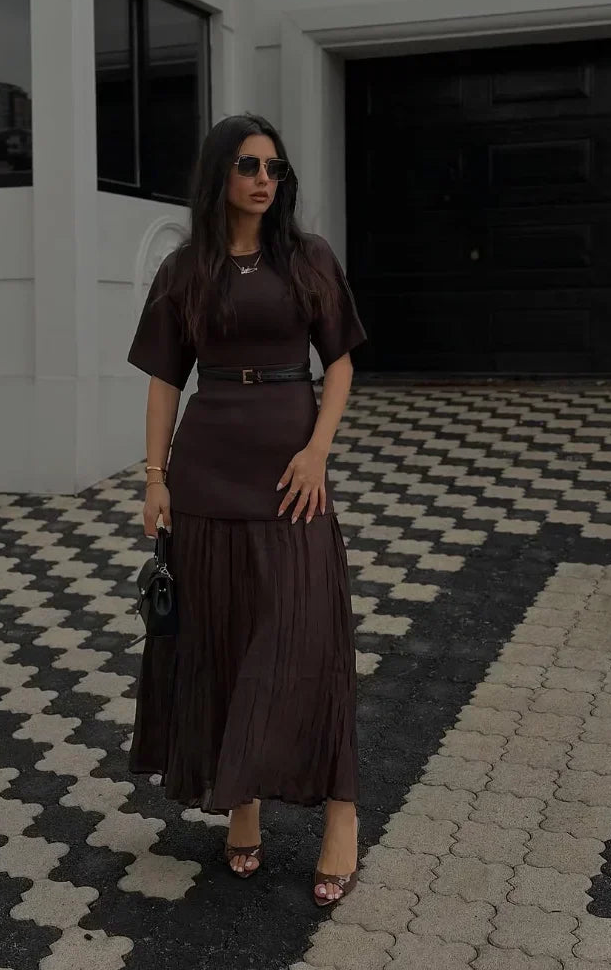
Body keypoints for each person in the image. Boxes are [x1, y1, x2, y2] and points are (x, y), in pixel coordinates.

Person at [126, 112, 367, 907]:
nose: (265, 178)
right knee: (224, 640)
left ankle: (341, 812)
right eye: (248, 165)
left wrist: (318, 450)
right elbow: (165, 379)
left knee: (307, 640)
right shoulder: (185, 270)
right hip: (207, 471)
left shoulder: (308, 258)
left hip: (293, 474)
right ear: (219, 177)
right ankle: (244, 806)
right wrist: (156, 476)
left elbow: (338, 364)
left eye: (274, 166)